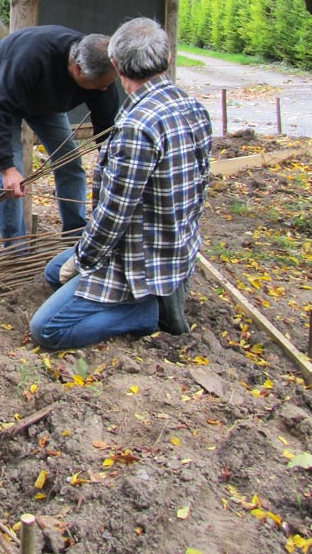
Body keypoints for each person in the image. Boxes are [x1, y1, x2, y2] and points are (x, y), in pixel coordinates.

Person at [29, 17, 212, 350]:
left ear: (115, 65)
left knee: (46, 330)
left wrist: (83, 260)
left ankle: (144, 312)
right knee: (54, 272)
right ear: (168, 58)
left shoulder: (137, 127)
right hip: (177, 244)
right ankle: (137, 299)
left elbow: (113, 216)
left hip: (139, 259)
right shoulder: (193, 106)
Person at [0, 25, 120, 243]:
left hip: (46, 102)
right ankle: (15, 248)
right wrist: (7, 168)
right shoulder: (31, 58)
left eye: (107, 85)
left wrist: (112, 165)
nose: (104, 90)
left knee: (70, 162)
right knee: (12, 177)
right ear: (78, 70)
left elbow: (105, 124)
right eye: (100, 86)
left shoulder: (101, 72)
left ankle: (75, 236)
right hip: (0, 93)